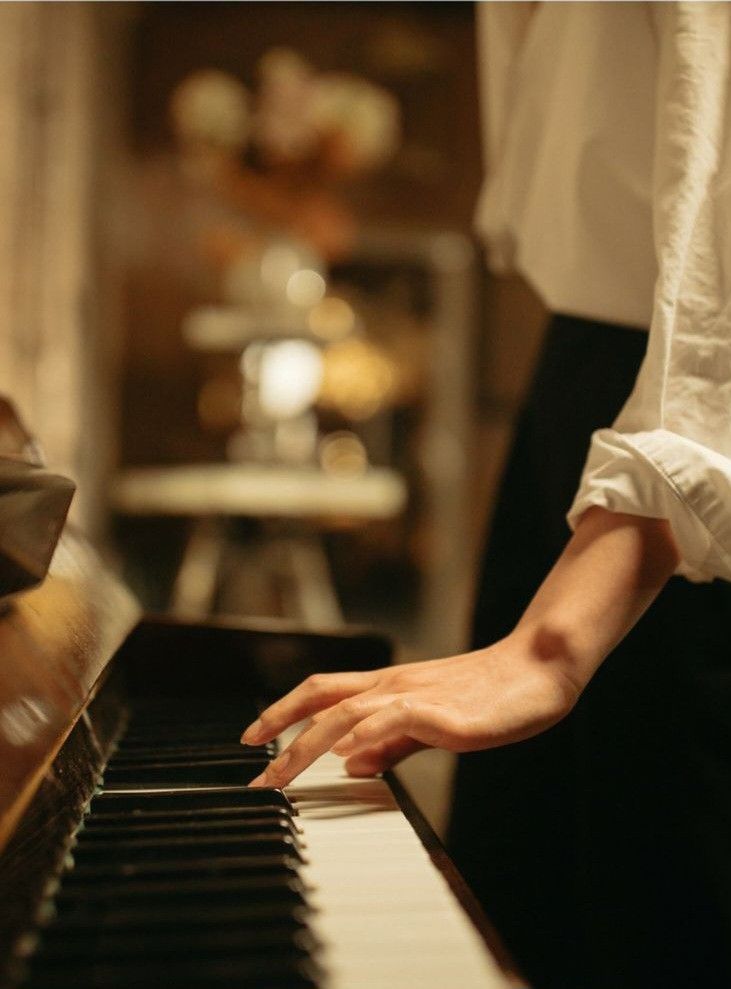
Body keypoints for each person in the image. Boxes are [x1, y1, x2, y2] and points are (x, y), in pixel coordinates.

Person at [241, 4, 731, 987]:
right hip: (588, 379)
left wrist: (555, 641)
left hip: (684, 427)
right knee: (531, 900)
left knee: (654, 906)